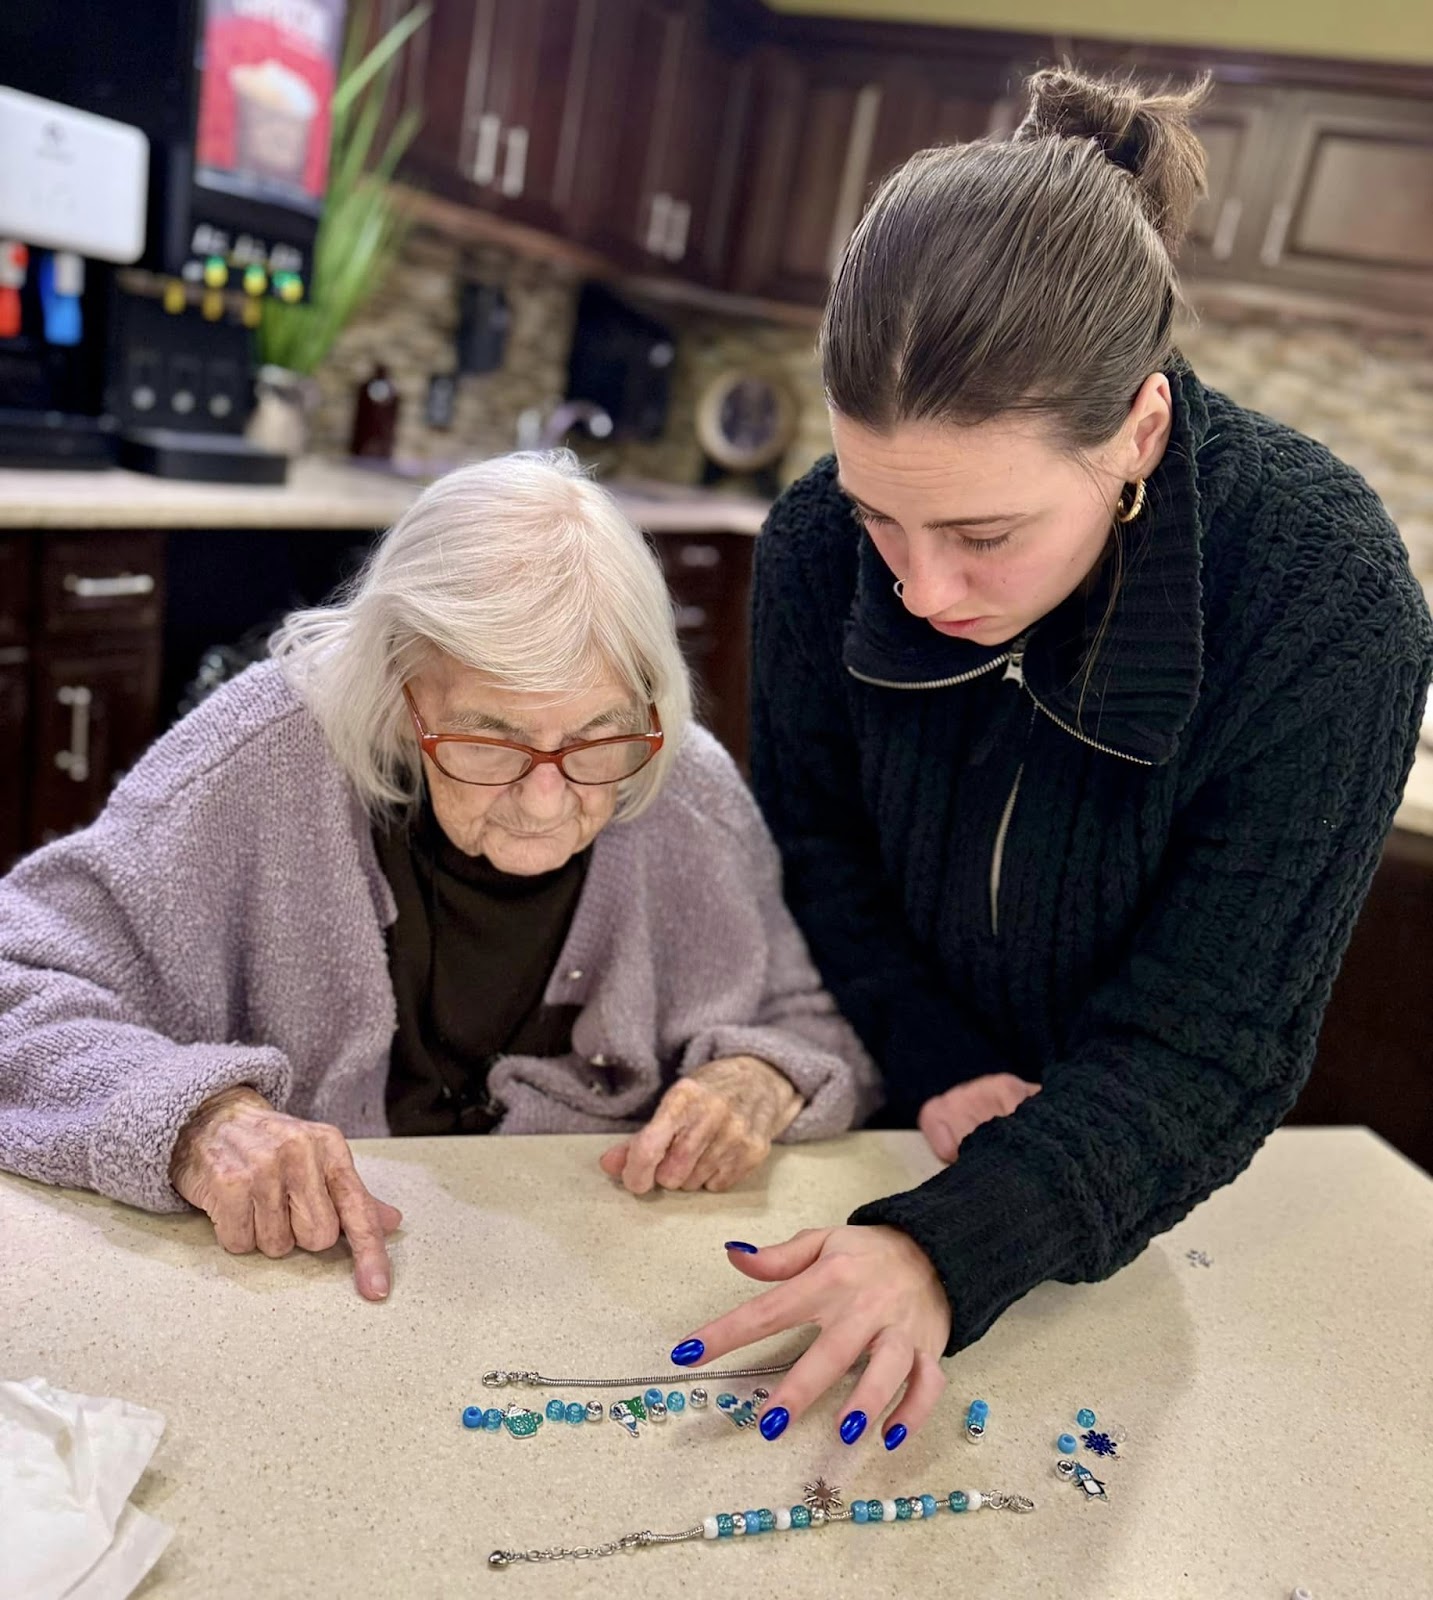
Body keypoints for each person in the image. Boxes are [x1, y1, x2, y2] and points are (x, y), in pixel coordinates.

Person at [662, 67, 1433, 1450]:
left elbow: (1216, 1040)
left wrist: (951, 1245)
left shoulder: (1324, 598)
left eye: (987, 535)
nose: (917, 587)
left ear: (1136, 431)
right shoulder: (814, 547)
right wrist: (937, 1055)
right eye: (882, 515)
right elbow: (816, 850)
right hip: (880, 1094)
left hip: (1134, 1172)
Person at [0, 452, 877, 1299]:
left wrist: (759, 1079)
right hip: (280, 1291)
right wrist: (198, 1122)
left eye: (595, 738)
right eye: (487, 741)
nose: (543, 802)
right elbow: (18, 982)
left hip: (591, 1293)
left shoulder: (684, 790)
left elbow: (820, 1017)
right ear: (397, 689)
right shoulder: (259, 758)